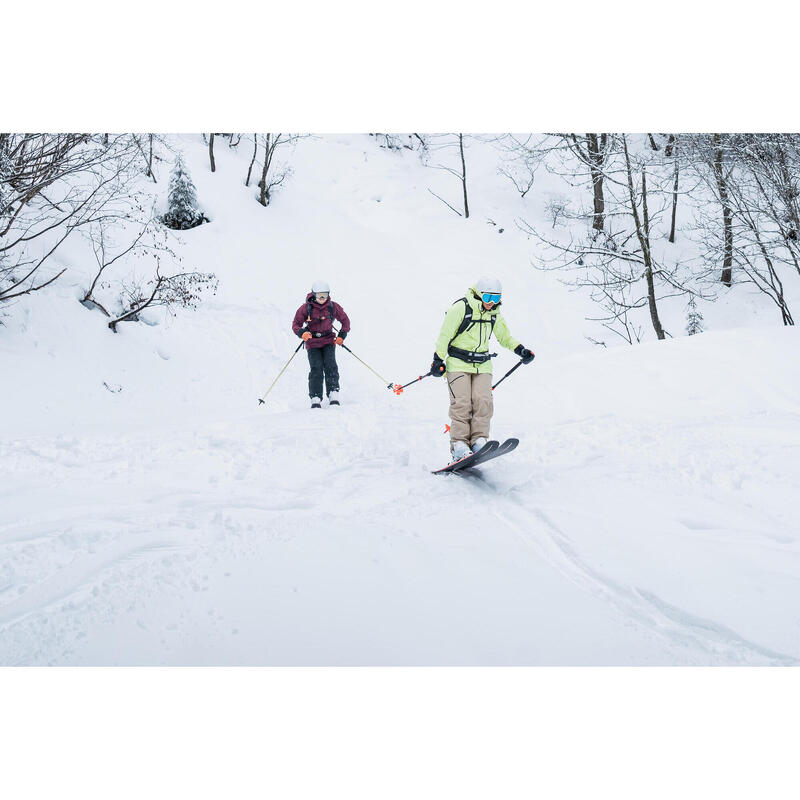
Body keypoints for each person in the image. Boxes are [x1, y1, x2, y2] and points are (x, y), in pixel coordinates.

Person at [431, 277, 534, 461]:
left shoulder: (494, 314)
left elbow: (505, 337)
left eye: (495, 299)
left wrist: (521, 350)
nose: (491, 303)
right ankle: (459, 445)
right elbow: (444, 336)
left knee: (483, 402)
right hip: (458, 363)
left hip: (482, 364)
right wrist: (437, 360)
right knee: (461, 403)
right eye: (487, 298)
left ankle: (479, 440)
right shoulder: (460, 309)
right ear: (479, 295)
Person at [292, 280, 351, 408]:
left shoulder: (333, 307)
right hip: (312, 342)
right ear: (314, 295)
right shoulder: (305, 308)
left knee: (331, 366)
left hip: (328, 340)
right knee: (316, 368)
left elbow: (345, 321)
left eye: (325, 295)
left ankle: (333, 393)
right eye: (319, 295)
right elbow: (296, 324)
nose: (322, 298)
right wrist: (302, 333)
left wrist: (342, 335)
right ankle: (315, 397)